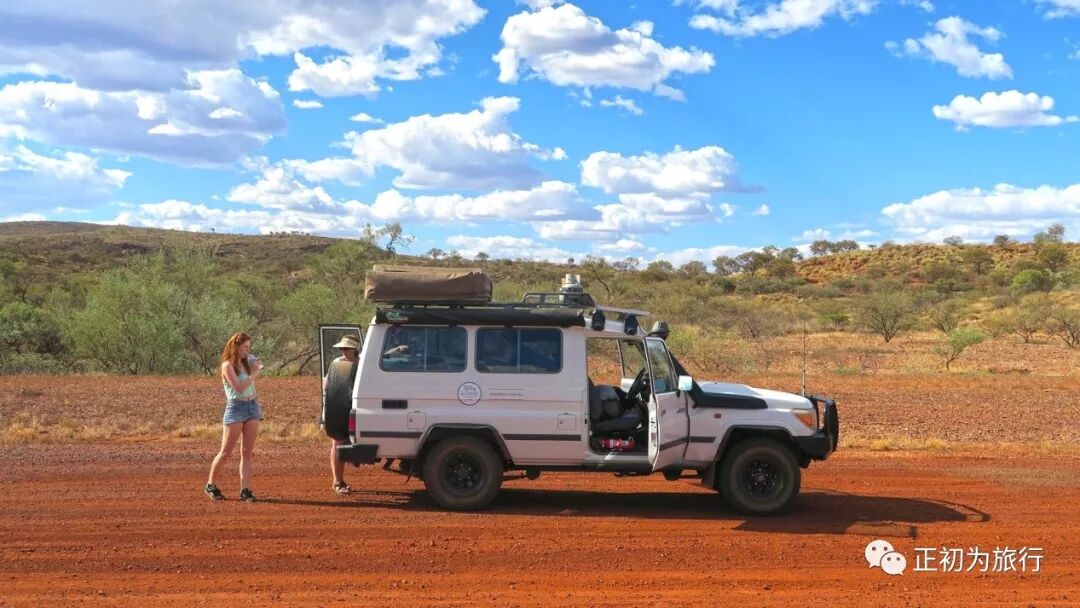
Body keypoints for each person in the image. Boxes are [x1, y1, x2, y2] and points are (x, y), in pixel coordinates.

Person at [205, 332, 263, 502]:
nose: (247, 350)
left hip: (253, 407)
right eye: (245, 347)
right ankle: (210, 484)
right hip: (236, 407)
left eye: (249, 347)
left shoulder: (247, 360)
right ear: (236, 346)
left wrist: (255, 364)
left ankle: (245, 489)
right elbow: (238, 387)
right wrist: (253, 374)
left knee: (247, 452)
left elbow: (259, 363)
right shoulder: (227, 366)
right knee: (226, 451)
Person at [326, 334, 360, 494]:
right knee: (337, 442)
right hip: (338, 408)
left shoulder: (362, 364)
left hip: (356, 409)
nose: (343, 351)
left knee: (348, 442)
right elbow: (327, 386)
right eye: (342, 348)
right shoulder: (337, 364)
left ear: (355, 349)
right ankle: (337, 481)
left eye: (346, 348)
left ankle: (340, 480)